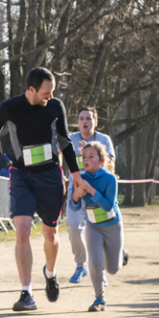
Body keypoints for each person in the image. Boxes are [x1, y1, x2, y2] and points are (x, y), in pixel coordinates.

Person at [0, 67, 82, 312]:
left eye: (52, 92)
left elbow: (64, 140)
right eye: (45, 92)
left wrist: (75, 174)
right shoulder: (10, 107)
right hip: (21, 175)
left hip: (50, 176)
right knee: (22, 232)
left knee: (50, 235)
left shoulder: (55, 107)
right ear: (31, 90)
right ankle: (26, 292)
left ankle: (50, 273)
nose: (49, 97)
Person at [70, 141, 124, 312]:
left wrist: (92, 191)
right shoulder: (80, 179)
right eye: (84, 157)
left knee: (112, 269)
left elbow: (108, 206)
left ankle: (121, 253)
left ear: (101, 161)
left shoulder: (110, 179)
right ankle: (99, 299)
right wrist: (76, 196)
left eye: (91, 157)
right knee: (94, 263)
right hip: (93, 226)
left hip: (112, 226)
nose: (86, 160)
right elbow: (74, 207)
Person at [65, 106, 116, 284]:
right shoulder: (70, 139)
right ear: (77, 122)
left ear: (95, 121)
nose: (85, 122)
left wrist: (89, 153)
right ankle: (81, 266)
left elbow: (110, 165)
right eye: (81, 118)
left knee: (99, 230)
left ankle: (99, 270)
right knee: (73, 227)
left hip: (97, 191)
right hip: (77, 191)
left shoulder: (104, 139)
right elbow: (55, 154)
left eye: (88, 118)